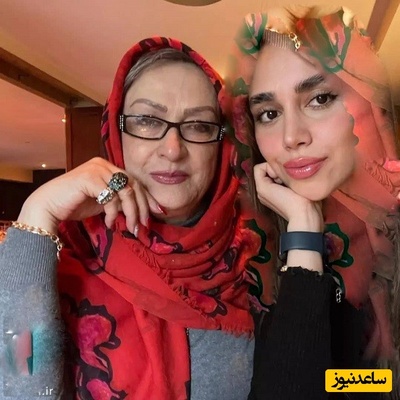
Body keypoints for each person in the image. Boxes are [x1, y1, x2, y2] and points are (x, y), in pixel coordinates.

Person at [0, 37, 273, 400]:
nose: (173, 149)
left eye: (199, 125)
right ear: (117, 131)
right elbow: (17, 383)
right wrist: (38, 211)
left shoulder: (259, 259)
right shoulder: (63, 257)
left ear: (221, 144)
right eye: (146, 120)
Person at [226, 5, 400, 400]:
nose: (291, 137)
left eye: (320, 98)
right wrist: (304, 230)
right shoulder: (254, 253)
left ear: (367, 104)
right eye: (268, 113)